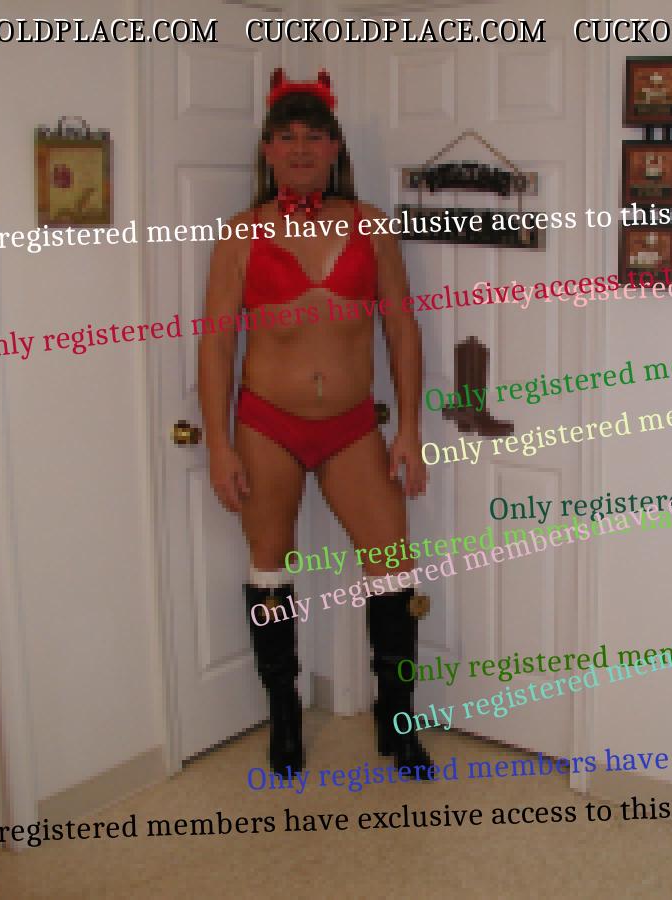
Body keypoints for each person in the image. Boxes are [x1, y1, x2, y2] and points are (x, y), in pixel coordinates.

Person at [198, 68, 433, 777]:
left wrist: (410, 429)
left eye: (314, 136)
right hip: (266, 425)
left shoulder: (372, 227)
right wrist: (219, 445)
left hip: (353, 427)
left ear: (334, 147)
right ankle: (284, 715)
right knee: (270, 565)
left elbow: (402, 328)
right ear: (268, 149)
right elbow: (216, 344)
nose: (301, 148)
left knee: (393, 566)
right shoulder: (241, 235)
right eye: (287, 136)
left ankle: (397, 718)